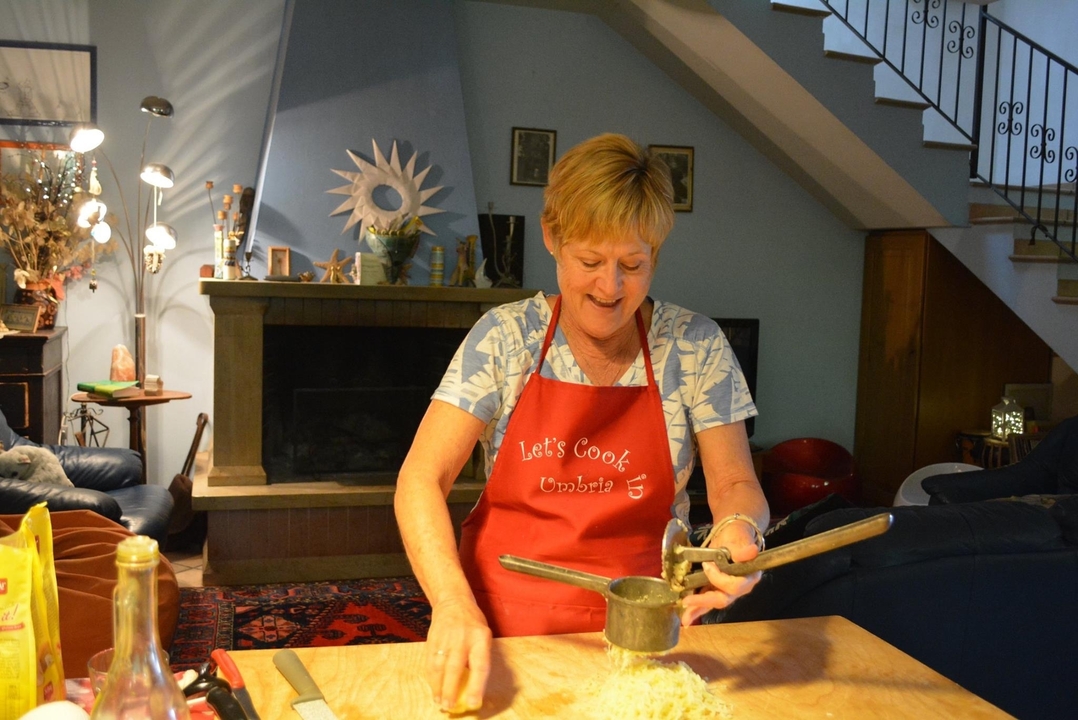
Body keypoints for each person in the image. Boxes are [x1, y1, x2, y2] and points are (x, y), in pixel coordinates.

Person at [394, 133, 768, 712]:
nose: (610, 288)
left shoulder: (696, 346)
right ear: (552, 237)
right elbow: (420, 479)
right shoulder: (504, 338)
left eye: (633, 265)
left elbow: (735, 485)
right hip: (501, 631)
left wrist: (738, 531)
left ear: (656, 256)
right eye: (590, 261)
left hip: (649, 640)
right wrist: (450, 602)